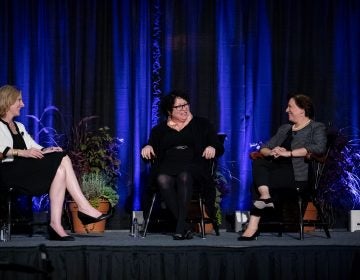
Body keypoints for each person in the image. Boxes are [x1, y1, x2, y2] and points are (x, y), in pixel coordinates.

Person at [0, 85, 111, 241]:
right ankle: (83, 207)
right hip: (8, 173)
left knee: (60, 166)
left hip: (25, 169)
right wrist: (20, 152)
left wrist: (48, 149)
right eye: (19, 100)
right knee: (63, 158)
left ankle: (56, 226)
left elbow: (34, 147)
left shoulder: (19, 126)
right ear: (8, 101)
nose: (23, 104)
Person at [239, 94, 327, 241]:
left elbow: (319, 148)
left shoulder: (316, 127)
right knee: (259, 164)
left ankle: (252, 227)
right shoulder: (285, 129)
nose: (287, 110)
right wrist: (272, 151)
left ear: (302, 110)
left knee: (258, 183)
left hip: (298, 175)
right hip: (278, 170)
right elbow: (264, 148)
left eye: (290, 107)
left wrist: (289, 153)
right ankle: (266, 197)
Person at [141, 90, 224, 240]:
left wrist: (212, 147)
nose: (184, 108)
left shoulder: (201, 124)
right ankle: (185, 226)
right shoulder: (159, 130)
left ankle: (180, 227)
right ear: (169, 111)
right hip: (167, 165)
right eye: (179, 107)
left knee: (184, 175)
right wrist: (147, 146)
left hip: (195, 164)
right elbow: (151, 145)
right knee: (162, 179)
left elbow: (217, 145)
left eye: (185, 104)